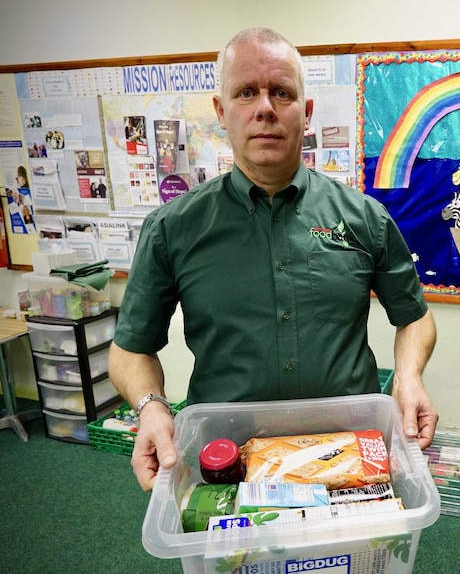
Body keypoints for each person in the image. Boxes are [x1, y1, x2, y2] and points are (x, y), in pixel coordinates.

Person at [108, 27, 438, 491]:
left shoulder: (364, 217)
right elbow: (130, 349)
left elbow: (415, 318)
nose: (265, 107)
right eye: (246, 92)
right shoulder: (173, 228)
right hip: (226, 461)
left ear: (305, 113)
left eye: (281, 92)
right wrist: (151, 407)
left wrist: (408, 377)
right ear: (222, 112)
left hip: (347, 456)